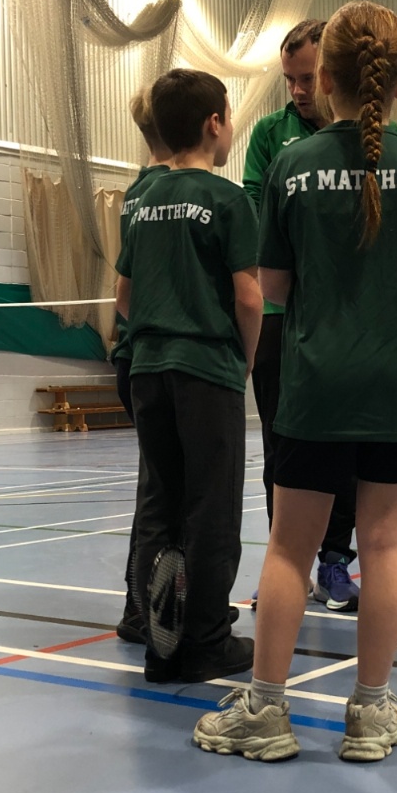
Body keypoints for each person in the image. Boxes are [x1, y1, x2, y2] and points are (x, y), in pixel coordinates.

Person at [193, 0, 397, 763]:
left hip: (314, 385)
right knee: (386, 545)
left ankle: (265, 712)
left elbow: (273, 284)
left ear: (326, 80)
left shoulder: (290, 165)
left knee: (289, 549)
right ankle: (370, 713)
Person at [115, 70, 262, 684]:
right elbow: (249, 298)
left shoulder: (141, 200)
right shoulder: (229, 200)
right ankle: (204, 640)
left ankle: (159, 640)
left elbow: (123, 297)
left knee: (160, 504)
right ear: (214, 124)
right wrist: (243, 359)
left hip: (148, 370)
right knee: (212, 508)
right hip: (206, 369)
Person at [242, 21, 357, 613]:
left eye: (307, 77)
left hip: (345, 321)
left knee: (346, 449)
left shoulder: (366, 134)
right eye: (289, 79)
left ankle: (335, 562)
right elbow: (256, 213)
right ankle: (284, 563)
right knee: (281, 448)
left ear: (330, 71)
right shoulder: (270, 135)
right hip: (279, 316)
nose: (297, 90)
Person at [110, 92, 173, 645]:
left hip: (136, 358)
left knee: (157, 489)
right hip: (153, 358)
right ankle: (142, 608)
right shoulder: (162, 192)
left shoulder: (138, 192)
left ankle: (149, 607)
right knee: (162, 493)